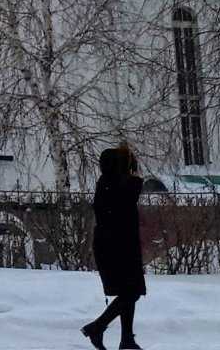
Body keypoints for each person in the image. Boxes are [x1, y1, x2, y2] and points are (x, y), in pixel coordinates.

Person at [82, 143, 145, 350]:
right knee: (131, 292)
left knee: (129, 291)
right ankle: (97, 327)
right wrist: (133, 173)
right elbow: (134, 188)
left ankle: (127, 338)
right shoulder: (118, 187)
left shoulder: (107, 184)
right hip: (117, 248)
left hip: (114, 246)